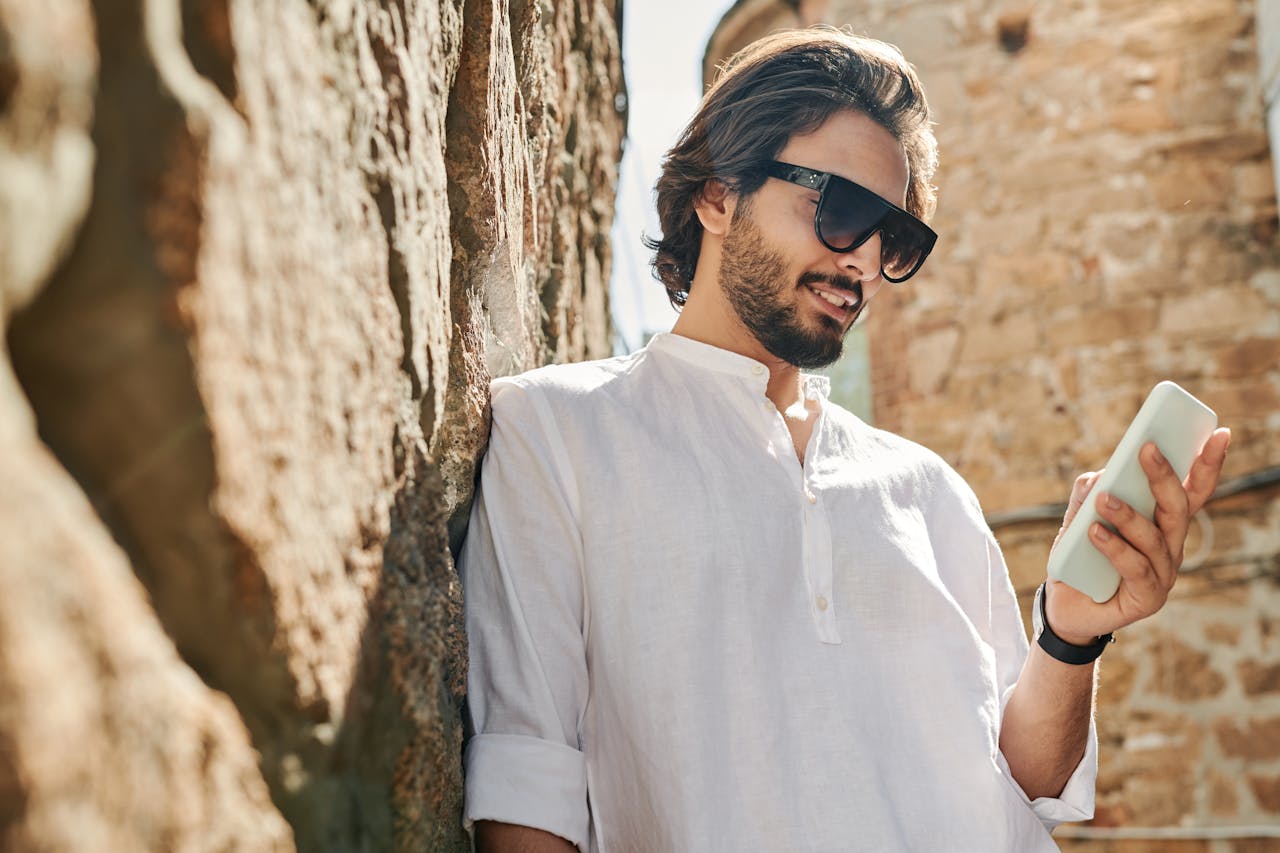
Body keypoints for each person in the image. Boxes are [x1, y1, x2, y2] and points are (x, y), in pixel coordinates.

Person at [458, 27, 1231, 852]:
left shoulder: (930, 490)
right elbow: (528, 781)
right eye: (840, 210)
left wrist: (1072, 634)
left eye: (893, 239)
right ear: (718, 194)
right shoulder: (557, 432)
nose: (863, 258)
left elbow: (1021, 784)